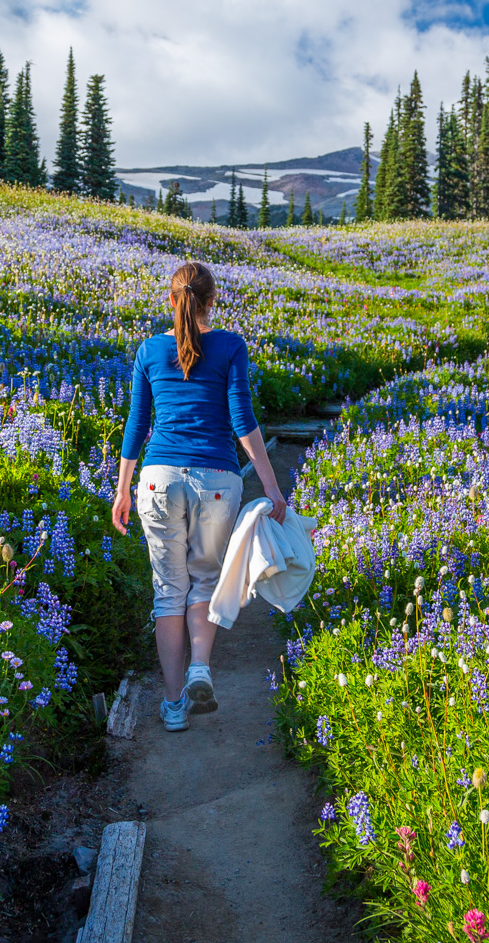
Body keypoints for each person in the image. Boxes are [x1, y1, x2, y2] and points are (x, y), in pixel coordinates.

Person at [111, 262, 288, 732]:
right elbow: (241, 418)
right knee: (206, 581)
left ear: (171, 301)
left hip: (157, 480)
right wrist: (270, 486)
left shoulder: (149, 350)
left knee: (168, 591)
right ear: (213, 300)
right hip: (216, 479)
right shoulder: (230, 346)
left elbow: (137, 425)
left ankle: (172, 708)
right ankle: (200, 669)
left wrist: (122, 487)